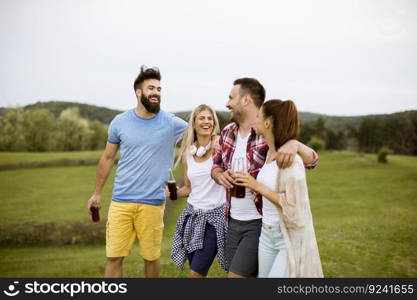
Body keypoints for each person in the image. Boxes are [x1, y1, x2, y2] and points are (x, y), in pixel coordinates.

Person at [211, 78, 318, 278]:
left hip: (259, 221)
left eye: (231, 97)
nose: (227, 103)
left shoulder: (266, 134)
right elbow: (216, 166)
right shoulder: (227, 133)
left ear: (246, 101)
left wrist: (295, 144)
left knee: (236, 277)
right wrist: (219, 175)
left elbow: (311, 161)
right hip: (232, 219)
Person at [87, 65, 187, 278]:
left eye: (159, 89)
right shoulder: (120, 122)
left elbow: (203, 132)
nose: (156, 93)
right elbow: (107, 157)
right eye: (151, 88)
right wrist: (96, 193)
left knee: (151, 258)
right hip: (121, 201)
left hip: (153, 202)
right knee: (114, 257)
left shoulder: (171, 123)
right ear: (138, 92)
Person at [235, 99, 323, 277]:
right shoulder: (267, 151)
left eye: (258, 116)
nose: (254, 120)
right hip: (266, 234)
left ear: (267, 122)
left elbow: (294, 207)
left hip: (286, 235)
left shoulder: (290, 160)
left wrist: (256, 185)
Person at [170, 104, 227, 278]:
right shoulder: (188, 153)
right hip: (192, 216)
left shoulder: (221, 146)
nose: (206, 121)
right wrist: (171, 193)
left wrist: (220, 142)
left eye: (210, 118)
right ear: (194, 124)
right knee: (199, 272)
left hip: (214, 218)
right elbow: (188, 188)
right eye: (202, 118)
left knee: (195, 274)